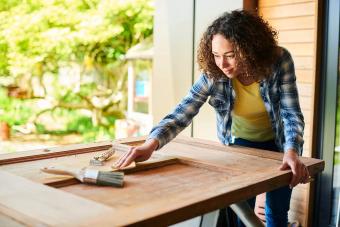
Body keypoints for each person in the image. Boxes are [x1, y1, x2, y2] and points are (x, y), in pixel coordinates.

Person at [115, 10, 309, 227]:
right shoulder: (214, 73)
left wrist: (292, 151)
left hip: (280, 144)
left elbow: (290, 113)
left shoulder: (278, 60)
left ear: (250, 48)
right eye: (216, 55)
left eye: (230, 55)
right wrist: (150, 145)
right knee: (242, 216)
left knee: (276, 214)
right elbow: (183, 111)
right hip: (240, 144)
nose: (222, 64)